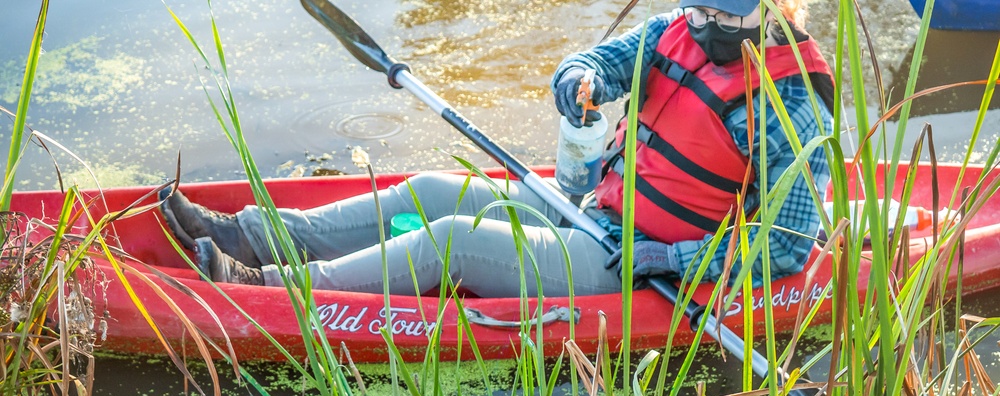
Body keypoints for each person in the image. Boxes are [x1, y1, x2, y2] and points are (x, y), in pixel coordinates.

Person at [160, 0, 834, 298]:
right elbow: (597, 59)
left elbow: (789, 244)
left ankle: (267, 292)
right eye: (696, 10)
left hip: (637, 266)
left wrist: (668, 255)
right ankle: (250, 234)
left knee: (450, 238)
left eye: (716, 15)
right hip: (594, 216)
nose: (700, 23)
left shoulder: (790, 103)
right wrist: (579, 80)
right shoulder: (670, 33)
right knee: (429, 190)